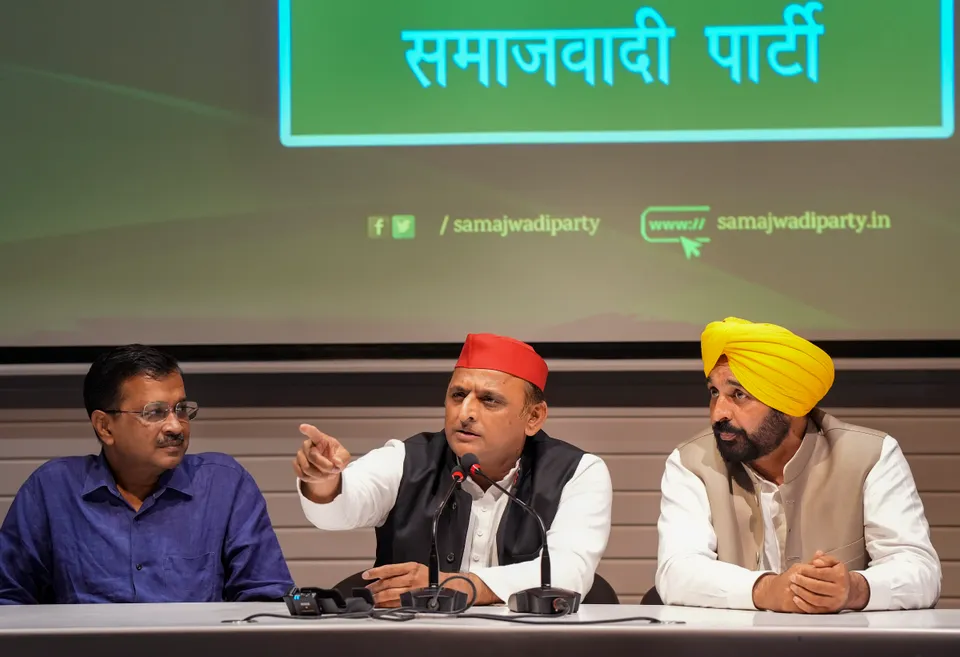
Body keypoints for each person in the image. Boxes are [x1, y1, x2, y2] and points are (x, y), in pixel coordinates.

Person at [294, 333, 613, 607]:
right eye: (458, 395)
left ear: (533, 417)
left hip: (529, 646)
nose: (465, 412)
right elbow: (338, 511)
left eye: (489, 400)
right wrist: (323, 479)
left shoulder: (577, 472)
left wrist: (456, 586)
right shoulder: (408, 458)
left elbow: (568, 573)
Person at [655, 317, 941, 612]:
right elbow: (676, 572)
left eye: (738, 395)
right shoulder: (692, 462)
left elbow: (920, 570)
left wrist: (854, 589)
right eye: (714, 393)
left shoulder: (870, 456)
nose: (718, 414)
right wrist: (765, 590)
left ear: (790, 405)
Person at [0, 344, 294, 604]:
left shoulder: (224, 485)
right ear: (105, 426)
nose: (176, 426)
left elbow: (265, 599)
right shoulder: (52, 490)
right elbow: (8, 597)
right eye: (154, 412)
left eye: (181, 409)